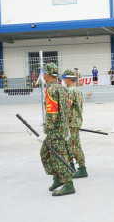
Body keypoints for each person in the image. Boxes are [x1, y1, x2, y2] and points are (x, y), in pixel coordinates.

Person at [39, 63, 75, 196]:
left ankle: (68, 183)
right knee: (45, 153)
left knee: (58, 157)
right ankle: (58, 177)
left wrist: (46, 131)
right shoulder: (61, 88)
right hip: (61, 128)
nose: (42, 75)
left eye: (43, 73)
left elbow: (52, 113)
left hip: (55, 130)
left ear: (47, 75)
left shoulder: (52, 89)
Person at [62, 69, 88, 179]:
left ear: (68, 79)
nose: (63, 80)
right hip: (74, 121)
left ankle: (82, 169)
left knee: (74, 146)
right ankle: (71, 167)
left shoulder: (71, 91)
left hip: (72, 122)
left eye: (64, 78)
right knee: (70, 145)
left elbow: (67, 107)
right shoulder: (76, 90)